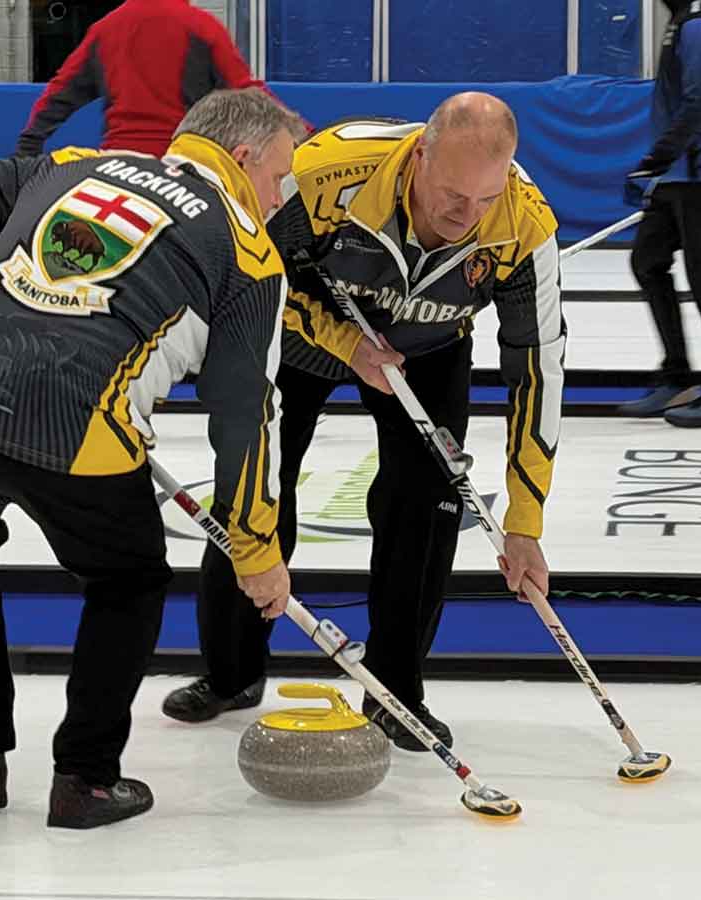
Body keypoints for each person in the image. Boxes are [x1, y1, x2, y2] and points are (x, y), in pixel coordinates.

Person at [0, 88, 307, 829]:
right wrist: (256, 547)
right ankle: (84, 778)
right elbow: (246, 417)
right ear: (242, 157)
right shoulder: (249, 251)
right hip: (70, 421)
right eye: (279, 178)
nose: (280, 199)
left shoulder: (83, 161)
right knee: (129, 581)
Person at [163, 93, 566, 752]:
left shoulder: (524, 225)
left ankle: (395, 692)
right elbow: (245, 278)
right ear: (419, 155)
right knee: (259, 480)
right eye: (451, 197)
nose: (466, 219)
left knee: (425, 509)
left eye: (484, 201)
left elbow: (539, 371)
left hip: (428, 348)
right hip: (299, 333)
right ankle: (229, 671)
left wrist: (524, 522)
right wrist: (341, 341)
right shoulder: (322, 175)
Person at [620, 0, 701, 424]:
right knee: (648, 261)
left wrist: (657, 158)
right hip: (680, 174)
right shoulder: (685, 18)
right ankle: (677, 376)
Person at [17, 0, 276, 157]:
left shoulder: (106, 28)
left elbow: (59, 93)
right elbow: (248, 93)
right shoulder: (202, 27)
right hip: (182, 167)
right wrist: (302, 134)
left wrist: (28, 145)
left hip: (117, 166)